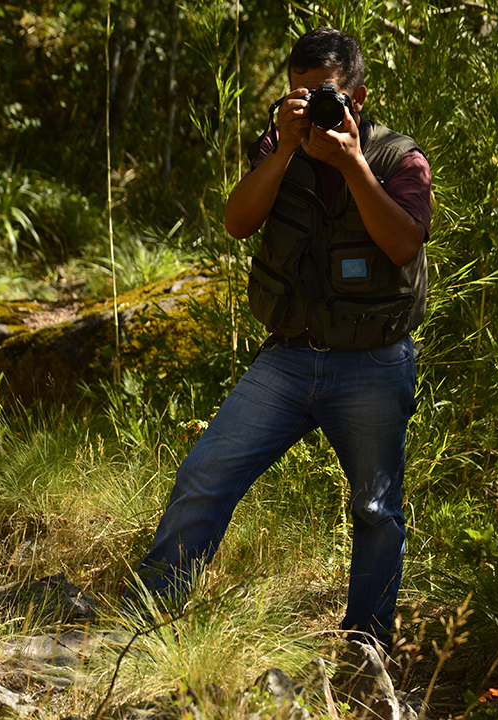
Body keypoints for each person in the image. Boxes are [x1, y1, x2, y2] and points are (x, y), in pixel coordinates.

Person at [130, 28, 432, 650]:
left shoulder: (399, 160)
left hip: (373, 364)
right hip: (289, 359)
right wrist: (283, 149)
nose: (311, 104)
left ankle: (366, 650)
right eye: (299, 93)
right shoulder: (278, 148)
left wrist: (350, 163)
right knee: (205, 476)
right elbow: (237, 221)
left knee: (376, 511)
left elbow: (404, 244)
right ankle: (145, 625)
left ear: (357, 96)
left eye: (325, 94)